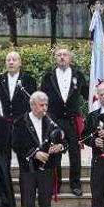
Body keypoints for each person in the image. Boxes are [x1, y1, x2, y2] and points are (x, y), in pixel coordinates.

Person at [13, 91, 67, 207]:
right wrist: (34, 153)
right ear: (32, 105)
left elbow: (64, 138)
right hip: (28, 168)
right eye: (41, 105)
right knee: (27, 201)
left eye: (46, 105)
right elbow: (16, 144)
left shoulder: (51, 120)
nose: (44, 108)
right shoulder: (20, 122)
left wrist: (60, 146)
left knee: (45, 201)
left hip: (48, 167)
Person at [40, 48, 88, 196]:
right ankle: (56, 184)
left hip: (72, 119)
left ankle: (75, 184)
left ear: (70, 58)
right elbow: (42, 98)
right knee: (55, 151)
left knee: (75, 152)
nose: (62, 57)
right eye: (59, 55)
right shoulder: (48, 77)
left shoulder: (78, 75)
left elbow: (87, 93)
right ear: (55, 58)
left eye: (65, 55)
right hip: (54, 120)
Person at [0, 51, 37, 123]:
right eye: (8, 60)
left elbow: (32, 102)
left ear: (20, 63)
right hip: (2, 121)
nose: (11, 62)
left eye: (14, 60)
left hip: (23, 122)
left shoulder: (29, 80)